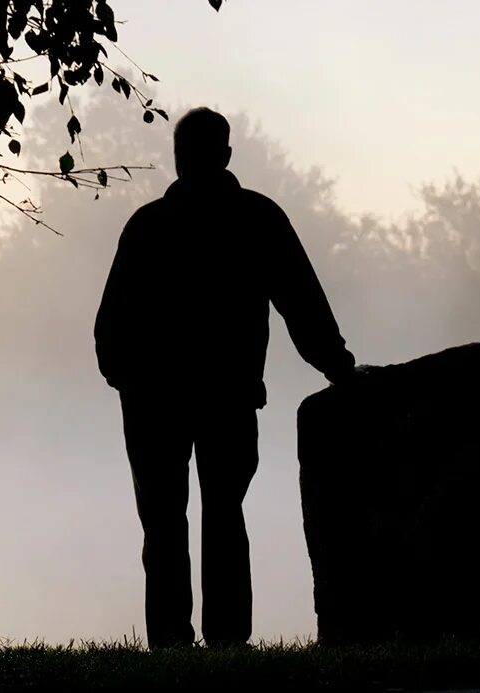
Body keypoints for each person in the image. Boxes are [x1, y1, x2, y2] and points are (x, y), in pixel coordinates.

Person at [94, 107, 356, 649]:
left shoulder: (147, 226)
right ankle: (229, 645)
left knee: (163, 524)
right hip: (228, 396)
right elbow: (301, 303)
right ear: (227, 155)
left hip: (154, 401)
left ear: (178, 158)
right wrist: (337, 366)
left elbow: (109, 328)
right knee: (225, 517)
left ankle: (171, 645)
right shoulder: (257, 218)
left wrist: (130, 382)